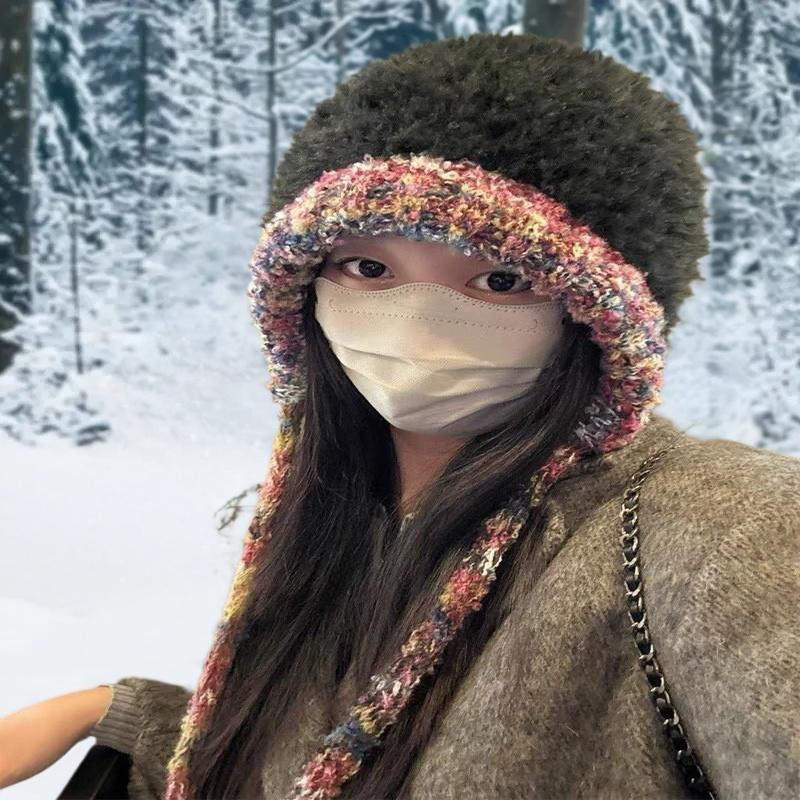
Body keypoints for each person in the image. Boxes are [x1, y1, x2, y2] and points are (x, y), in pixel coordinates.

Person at [2, 31, 799, 800]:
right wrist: (116, 713)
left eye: (501, 280)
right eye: (368, 266)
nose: (417, 326)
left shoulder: (725, 528)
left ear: (604, 319)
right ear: (302, 292)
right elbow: (350, 756)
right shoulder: (347, 515)